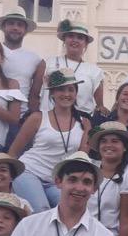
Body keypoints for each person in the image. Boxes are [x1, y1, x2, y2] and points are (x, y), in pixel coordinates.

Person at [10, 70, 93, 212]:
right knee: (41, 210)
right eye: (61, 89)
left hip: (57, 181)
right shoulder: (38, 117)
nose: (66, 94)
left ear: (75, 93)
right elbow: (13, 152)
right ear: (53, 93)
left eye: (70, 90)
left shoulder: (84, 122)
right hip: (29, 172)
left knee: (72, 211)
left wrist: (86, 131)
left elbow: (82, 157)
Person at [86, 121, 128, 236]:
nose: (108, 145)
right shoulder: (88, 171)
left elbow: (126, 224)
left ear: (125, 147)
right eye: (104, 141)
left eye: (115, 141)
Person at [0, 9, 46, 134]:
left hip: (20, 119)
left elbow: (35, 94)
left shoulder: (36, 59)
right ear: (4, 27)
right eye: (11, 23)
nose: (15, 28)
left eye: (19, 25)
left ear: (25, 30)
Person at [42, 20, 105, 117]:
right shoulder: (49, 62)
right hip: (48, 120)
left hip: (81, 124)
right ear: (64, 40)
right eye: (71, 36)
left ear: (85, 43)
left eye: (80, 38)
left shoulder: (95, 71)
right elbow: (36, 95)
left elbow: (100, 106)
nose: (75, 40)